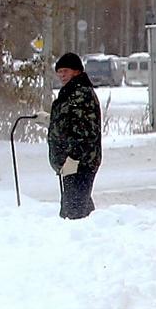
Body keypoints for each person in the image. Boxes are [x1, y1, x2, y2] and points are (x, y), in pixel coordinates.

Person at [47, 52, 103, 219]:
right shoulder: (71, 92)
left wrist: (73, 158)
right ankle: (94, 227)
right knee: (79, 208)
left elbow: (85, 131)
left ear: (77, 71)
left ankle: (86, 231)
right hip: (72, 163)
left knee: (73, 212)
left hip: (81, 162)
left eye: (66, 71)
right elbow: (69, 121)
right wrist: (49, 121)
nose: (62, 75)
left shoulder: (81, 94)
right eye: (59, 72)